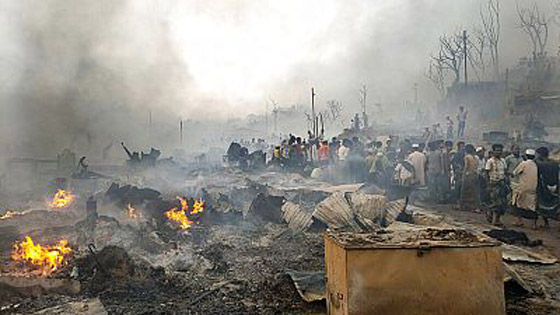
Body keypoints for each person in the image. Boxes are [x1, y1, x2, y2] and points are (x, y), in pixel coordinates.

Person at [511, 149, 538, 228]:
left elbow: (515, 172)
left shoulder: (523, 163)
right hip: (533, 188)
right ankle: (534, 224)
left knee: (517, 204)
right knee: (532, 206)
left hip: (523, 188)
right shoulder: (535, 164)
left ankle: (519, 220)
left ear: (526, 156)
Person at [535, 147, 559, 228]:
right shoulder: (554, 163)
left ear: (540, 154)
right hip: (555, 187)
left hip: (543, 187)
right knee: (555, 206)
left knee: (540, 205)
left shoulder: (538, 164)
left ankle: (544, 223)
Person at [485, 144, 508, 226]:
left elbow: (505, 172)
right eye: (497, 150)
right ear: (493, 151)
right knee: (495, 202)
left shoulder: (503, 161)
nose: (499, 152)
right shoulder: (490, 161)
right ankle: (489, 211)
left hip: (502, 183)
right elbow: (487, 173)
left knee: (502, 203)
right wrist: (488, 184)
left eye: (500, 150)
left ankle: (497, 219)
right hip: (493, 183)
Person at [459, 144, 479, 211]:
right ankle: (475, 206)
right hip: (475, 175)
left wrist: (463, 175)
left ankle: (462, 206)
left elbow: (466, 166)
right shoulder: (476, 157)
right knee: (474, 191)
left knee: (464, 191)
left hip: (468, 175)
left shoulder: (467, 157)